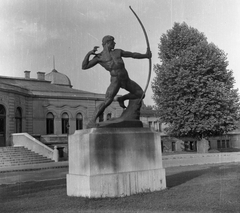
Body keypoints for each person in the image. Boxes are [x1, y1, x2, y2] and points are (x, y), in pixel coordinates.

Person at [82, 35, 151, 127]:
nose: (114, 43)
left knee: (140, 93)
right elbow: (84, 66)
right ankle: (92, 121)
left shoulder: (117, 52)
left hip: (126, 79)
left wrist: (146, 56)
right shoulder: (99, 57)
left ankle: (122, 98)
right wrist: (88, 54)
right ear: (107, 43)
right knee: (107, 101)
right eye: (113, 42)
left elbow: (132, 54)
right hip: (116, 81)